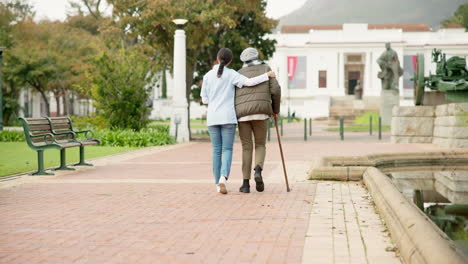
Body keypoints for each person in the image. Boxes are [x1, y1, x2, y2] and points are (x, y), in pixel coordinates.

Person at [200, 48, 276, 194]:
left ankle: (218, 183)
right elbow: (249, 82)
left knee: (216, 151)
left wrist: (212, 106)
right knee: (227, 149)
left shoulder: (208, 76)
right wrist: (267, 75)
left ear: (217, 58)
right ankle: (223, 177)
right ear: (230, 61)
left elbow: (204, 99)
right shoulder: (232, 74)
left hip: (212, 118)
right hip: (228, 117)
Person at [235, 47, 281, 193]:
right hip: (261, 112)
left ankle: (245, 184)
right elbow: (276, 90)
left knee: (246, 147)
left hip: (243, 115)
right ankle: (258, 170)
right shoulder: (266, 68)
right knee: (260, 144)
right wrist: (275, 110)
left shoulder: (238, 73)